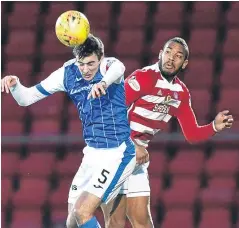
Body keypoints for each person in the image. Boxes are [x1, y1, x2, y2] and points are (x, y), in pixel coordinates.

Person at [1, 35, 137, 228]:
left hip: (118, 153)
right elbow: (26, 99)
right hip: (92, 154)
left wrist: (103, 83)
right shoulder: (67, 74)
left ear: (101, 58)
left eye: (91, 63)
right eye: (81, 64)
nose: (86, 69)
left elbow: (119, 68)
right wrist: (15, 86)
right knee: (72, 222)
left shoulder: (109, 67)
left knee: (82, 211)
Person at [101, 37, 234, 228]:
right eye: (168, 52)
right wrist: (132, 144)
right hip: (115, 149)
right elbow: (111, 114)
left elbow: (192, 134)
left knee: (143, 223)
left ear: (185, 63)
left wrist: (214, 127)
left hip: (136, 157)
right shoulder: (144, 77)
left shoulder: (181, 93)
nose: (171, 58)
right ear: (160, 54)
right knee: (116, 222)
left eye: (178, 56)